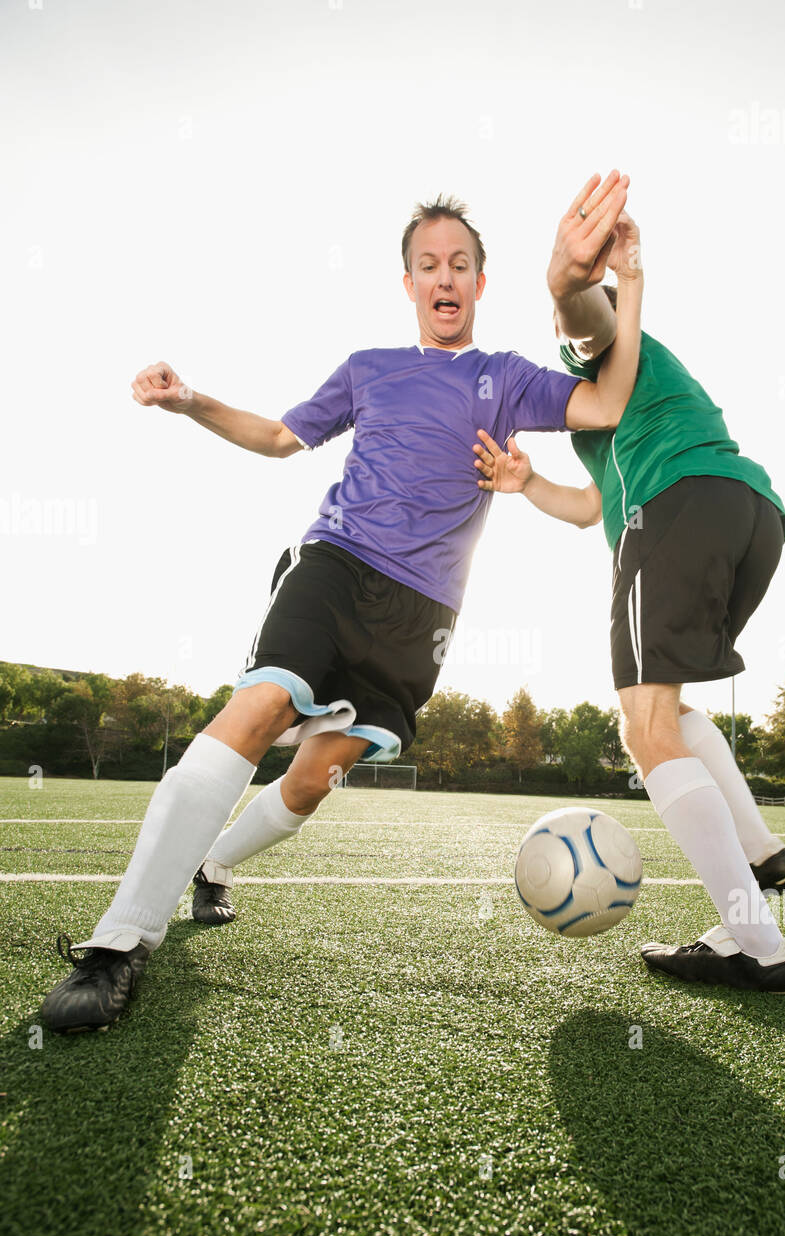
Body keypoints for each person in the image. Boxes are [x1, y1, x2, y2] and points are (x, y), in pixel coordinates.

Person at [40, 178, 644, 1033]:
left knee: (314, 777)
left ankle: (211, 864)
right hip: (335, 566)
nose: (444, 276)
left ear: (480, 283)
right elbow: (280, 439)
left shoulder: (506, 378)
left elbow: (609, 403)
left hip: (424, 614)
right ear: (408, 283)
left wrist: (631, 276)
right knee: (262, 704)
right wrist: (189, 400)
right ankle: (117, 944)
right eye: (428, 263)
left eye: (460, 264)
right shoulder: (370, 369)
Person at [472, 204, 785, 994]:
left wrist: (582, 282)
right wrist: (525, 484)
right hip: (748, 512)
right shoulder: (622, 417)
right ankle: (762, 853)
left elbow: (587, 321)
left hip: (679, 507)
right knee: (674, 714)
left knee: (643, 727)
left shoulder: (611, 344)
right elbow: (592, 507)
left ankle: (756, 943)